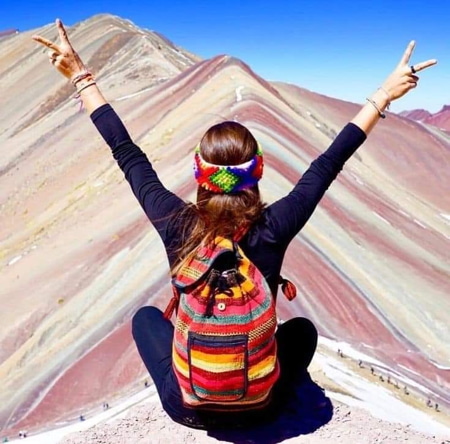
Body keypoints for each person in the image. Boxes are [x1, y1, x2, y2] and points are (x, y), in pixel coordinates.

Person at [33, 19, 437, 430]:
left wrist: (80, 76)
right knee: (302, 332)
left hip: (187, 408)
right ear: (256, 172)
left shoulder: (177, 223)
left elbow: (126, 151)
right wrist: (385, 94)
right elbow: (329, 162)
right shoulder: (276, 224)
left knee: (145, 319)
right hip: (263, 406)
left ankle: (201, 378)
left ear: (200, 174)